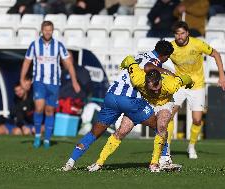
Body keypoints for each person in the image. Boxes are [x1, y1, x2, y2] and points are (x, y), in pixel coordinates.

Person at [62, 40, 176, 173]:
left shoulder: (139, 56)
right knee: (159, 126)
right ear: (164, 55)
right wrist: (167, 72)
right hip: (129, 100)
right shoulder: (155, 61)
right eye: (167, 57)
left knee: (94, 133)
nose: (167, 59)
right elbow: (148, 67)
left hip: (111, 96)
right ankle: (164, 160)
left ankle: (70, 162)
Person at [87, 55, 193, 172]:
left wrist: (190, 83)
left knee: (161, 125)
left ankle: (154, 163)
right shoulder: (137, 78)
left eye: (158, 86)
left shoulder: (171, 84)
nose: (156, 90)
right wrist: (123, 65)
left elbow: (185, 78)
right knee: (122, 130)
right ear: (146, 82)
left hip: (164, 103)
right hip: (145, 103)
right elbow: (129, 59)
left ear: (161, 80)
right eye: (152, 87)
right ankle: (99, 162)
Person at [160, 21, 225, 164]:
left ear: (187, 33)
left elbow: (215, 54)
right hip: (179, 84)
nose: (180, 36)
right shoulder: (171, 47)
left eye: (182, 33)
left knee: (197, 119)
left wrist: (222, 76)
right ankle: (167, 149)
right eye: (177, 33)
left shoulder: (197, 44)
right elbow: (158, 59)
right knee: (168, 115)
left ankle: (191, 146)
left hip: (197, 85)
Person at [20, 20, 81, 149]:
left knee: (49, 110)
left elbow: (68, 63)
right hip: (39, 81)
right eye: (45, 30)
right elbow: (26, 62)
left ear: (53, 31)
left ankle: (47, 139)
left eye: (50, 30)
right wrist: (22, 79)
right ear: (41, 30)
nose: (48, 32)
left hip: (54, 83)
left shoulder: (59, 45)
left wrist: (74, 80)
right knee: (39, 108)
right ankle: (37, 136)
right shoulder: (34, 45)